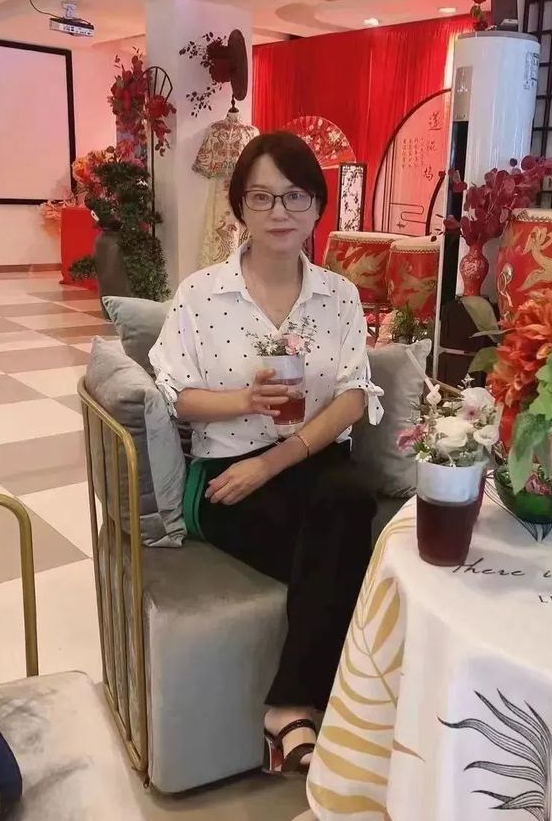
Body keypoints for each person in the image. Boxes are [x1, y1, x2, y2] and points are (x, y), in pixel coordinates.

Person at [150, 131, 382, 777]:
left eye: (295, 195)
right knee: (343, 549)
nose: (279, 211)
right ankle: (343, 704)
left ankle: (287, 707)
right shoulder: (201, 294)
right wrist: (246, 401)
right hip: (227, 472)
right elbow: (178, 396)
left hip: (305, 462)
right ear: (240, 208)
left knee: (348, 497)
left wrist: (273, 463)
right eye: (261, 197)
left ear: (317, 206)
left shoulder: (339, 295)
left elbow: (353, 396)